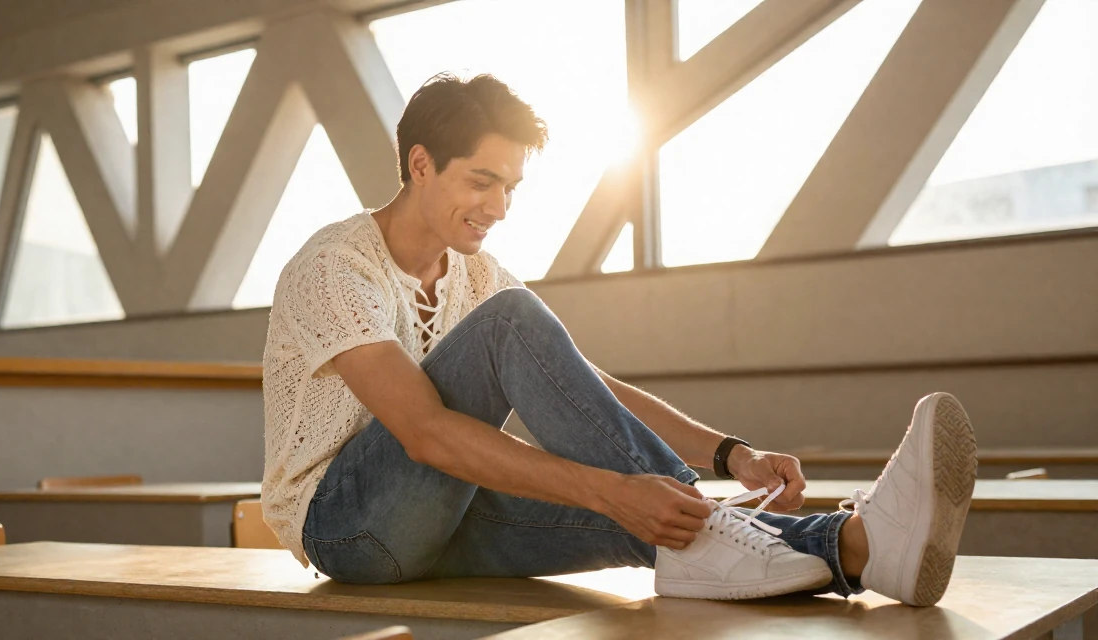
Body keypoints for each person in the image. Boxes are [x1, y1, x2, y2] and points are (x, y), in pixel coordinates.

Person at [261, 73, 978, 605]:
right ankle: (714, 530)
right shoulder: (334, 268)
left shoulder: (472, 272)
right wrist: (616, 487)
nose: (499, 208)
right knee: (537, 355)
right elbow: (424, 435)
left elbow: (582, 384)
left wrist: (732, 452)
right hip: (348, 528)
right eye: (482, 181)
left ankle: (865, 548)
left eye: (510, 186)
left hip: (443, 516)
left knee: (643, 520)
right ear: (421, 165)